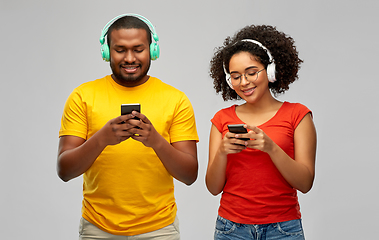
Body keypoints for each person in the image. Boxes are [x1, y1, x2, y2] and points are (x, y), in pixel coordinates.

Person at [57, 13, 199, 240]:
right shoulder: (82, 96)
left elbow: (190, 175)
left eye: (138, 49)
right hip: (97, 228)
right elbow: (64, 170)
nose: (130, 58)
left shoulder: (176, 99)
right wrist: (102, 138)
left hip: (159, 229)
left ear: (153, 50)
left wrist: (156, 142)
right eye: (120, 49)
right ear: (107, 51)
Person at [206, 25, 317, 240]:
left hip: (284, 229)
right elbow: (213, 187)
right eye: (236, 76)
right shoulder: (221, 119)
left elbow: (305, 183)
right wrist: (221, 152)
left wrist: (271, 148)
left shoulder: (298, 115)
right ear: (229, 80)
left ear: (271, 70)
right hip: (231, 229)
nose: (244, 82)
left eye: (251, 72)